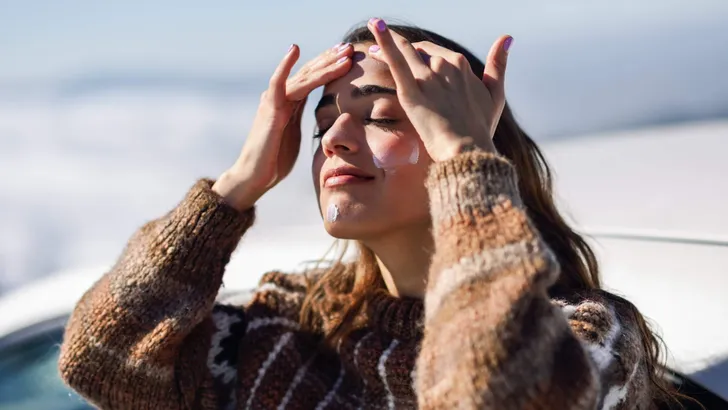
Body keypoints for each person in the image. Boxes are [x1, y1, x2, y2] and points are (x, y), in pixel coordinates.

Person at [59, 18, 678, 409]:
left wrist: (466, 156)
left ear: (471, 154)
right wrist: (235, 186)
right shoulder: (288, 332)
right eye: (321, 126)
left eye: (383, 118)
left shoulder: (585, 339)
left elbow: (495, 390)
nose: (333, 140)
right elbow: (98, 359)